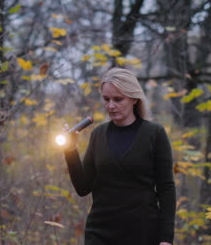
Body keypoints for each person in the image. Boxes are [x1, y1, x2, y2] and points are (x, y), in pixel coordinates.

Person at [62, 68, 176, 245]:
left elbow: (166, 188)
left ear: (134, 99)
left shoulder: (154, 134)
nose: (110, 106)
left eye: (118, 99)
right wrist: (70, 151)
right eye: (106, 99)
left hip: (143, 233)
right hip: (100, 233)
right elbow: (83, 187)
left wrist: (166, 239)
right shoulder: (98, 134)